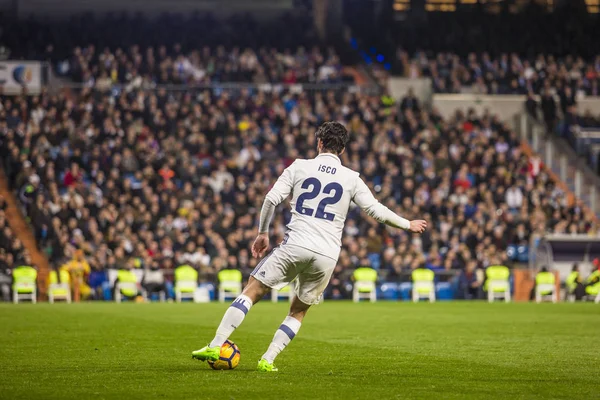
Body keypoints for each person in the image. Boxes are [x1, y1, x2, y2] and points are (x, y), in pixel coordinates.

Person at [191, 122, 427, 371]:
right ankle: (267, 360)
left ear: (319, 143)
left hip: (296, 243)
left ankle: (217, 344)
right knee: (299, 310)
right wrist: (406, 224)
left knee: (253, 289)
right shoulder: (351, 178)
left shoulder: (299, 166)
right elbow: (375, 210)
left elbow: (271, 199)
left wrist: (263, 232)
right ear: (343, 149)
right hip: (327, 254)